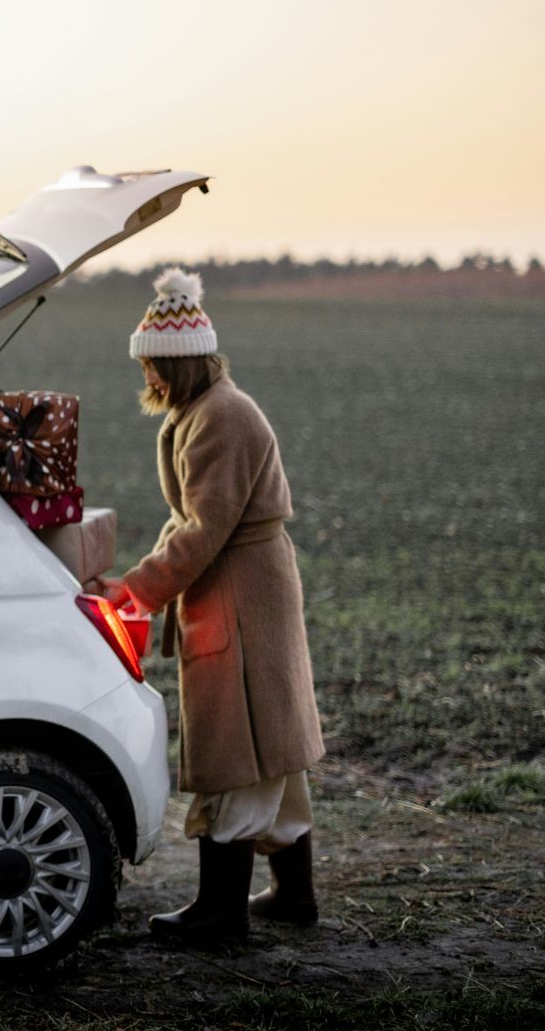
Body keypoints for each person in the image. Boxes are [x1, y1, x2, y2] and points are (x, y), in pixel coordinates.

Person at [96, 268, 326, 942]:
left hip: (240, 596)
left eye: (155, 370)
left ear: (178, 360)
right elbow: (195, 520)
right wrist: (143, 582)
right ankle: (294, 896)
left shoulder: (220, 417)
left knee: (239, 749)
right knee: (271, 753)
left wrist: (136, 590)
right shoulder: (206, 410)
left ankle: (220, 914)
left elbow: (204, 528)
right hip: (246, 588)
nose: (151, 384)